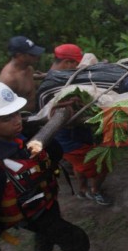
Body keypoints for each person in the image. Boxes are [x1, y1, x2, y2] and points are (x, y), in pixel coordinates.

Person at [0, 79, 106, 251]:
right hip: (29, 212)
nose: (17, 121)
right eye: (6, 118)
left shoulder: (21, 131)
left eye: (16, 113)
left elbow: (53, 151)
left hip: (43, 198)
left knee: (47, 231)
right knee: (73, 236)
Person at [48, 44, 113, 206]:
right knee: (102, 164)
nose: (77, 67)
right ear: (68, 62)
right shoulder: (55, 82)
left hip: (74, 134)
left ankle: (83, 189)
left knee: (79, 165)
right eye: (76, 63)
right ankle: (95, 191)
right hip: (68, 138)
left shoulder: (56, 75)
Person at [0, 36, 45, 112]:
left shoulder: (28, 69)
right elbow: (5, 108)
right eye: (32, 54)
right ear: (19, 55)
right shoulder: (10, 79)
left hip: (35, 112)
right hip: (23, 119)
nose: (36, 56)